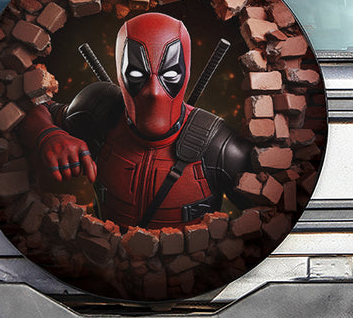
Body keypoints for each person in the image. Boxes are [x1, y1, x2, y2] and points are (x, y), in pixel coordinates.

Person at [19, 12, 253, 228]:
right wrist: (48, 134)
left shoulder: (220, 148)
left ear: (186, 71)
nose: (154, 92)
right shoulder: (99, 110)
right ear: (119, 73)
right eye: (136, 74)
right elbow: (36, 111)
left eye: (170, 74)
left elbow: (263, 218)